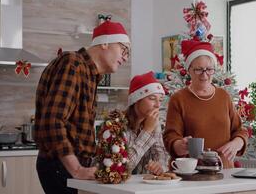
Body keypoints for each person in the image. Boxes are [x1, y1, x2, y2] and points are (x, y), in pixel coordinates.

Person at [34, 20, 130, 194]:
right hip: (62, 165)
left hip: (67, 165)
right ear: (105, 42)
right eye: (123, 49)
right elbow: (54, 121)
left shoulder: (89, 73)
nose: (125, 57)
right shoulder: (73, 64)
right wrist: (77, 169)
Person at [163, 40, 249, 168]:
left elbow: (240, 131)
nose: (204, 75)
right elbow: (170, 136)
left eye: (209, 69)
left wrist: (237, 143)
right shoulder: (179, 99)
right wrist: (179, 146)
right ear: (189, 70)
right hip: (192, 173)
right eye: (199, 70)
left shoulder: (223, 97)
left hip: (224, 172)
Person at [125, 71, 169, 175]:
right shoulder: (117, 125)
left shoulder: (154, 123)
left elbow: (162, 156)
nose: (158, 105)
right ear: (136, 99)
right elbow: (124, 166)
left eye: (160, 100)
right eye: (152, 99)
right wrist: (147, 131)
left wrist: (159, 166)